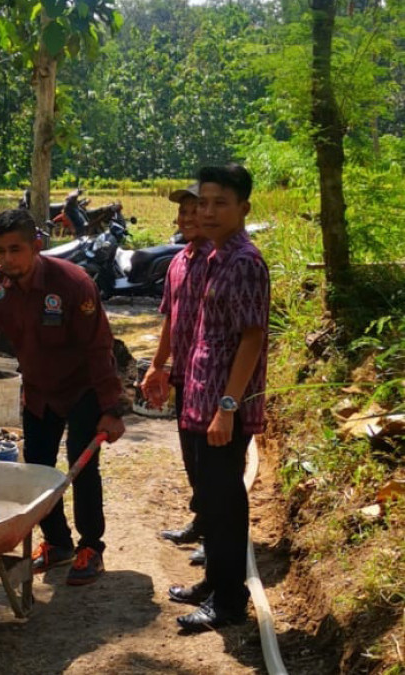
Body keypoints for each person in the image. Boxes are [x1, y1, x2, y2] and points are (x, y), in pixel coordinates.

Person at [0, 208, 126, 586]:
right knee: (37, 469)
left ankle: (91, 547)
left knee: (82, 466)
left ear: (37, 246)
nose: (7, 259)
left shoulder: (73, 284)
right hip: (39, 391)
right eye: (0, 251)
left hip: (83, 389)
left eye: (16, 249)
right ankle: (58, 543)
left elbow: (99, 348)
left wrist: (112, 409)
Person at [169, 164, 269, 632]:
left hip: (222, 406)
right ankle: (215, 581)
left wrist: (228, 407)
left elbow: (252, 338)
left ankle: (229, 602)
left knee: (225, 501)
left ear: (243, 208)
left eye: (220, 203)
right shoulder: (213, 257)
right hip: (199, 397)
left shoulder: (244, 262)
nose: (207, 212)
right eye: (204, 203)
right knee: (209, 497)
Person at [141, 184, 211, 565]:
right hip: (184, 375)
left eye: (194, 209)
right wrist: (158, 365)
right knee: (191, 454)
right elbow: (171, 318)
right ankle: (203, 520)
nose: (186, 217)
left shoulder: (220, 261)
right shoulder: (179, 262)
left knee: (213, 461)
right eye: (183, 211)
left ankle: (218, 536)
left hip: (211, 379)